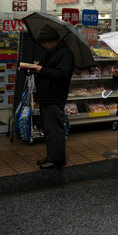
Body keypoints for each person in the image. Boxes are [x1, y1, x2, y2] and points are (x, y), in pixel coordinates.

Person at [29, 24, 74, 169]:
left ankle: (57, 159)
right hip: (46, 95)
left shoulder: (65, 53)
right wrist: (32, 69)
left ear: (53, 41)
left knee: (55, 129)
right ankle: (51, 156)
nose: (43, 46)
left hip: (55, 95)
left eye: (45, 43)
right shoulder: (52, 52)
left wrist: (42, 70)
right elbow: (45, 69)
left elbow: (62, 74)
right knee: (48, 129)